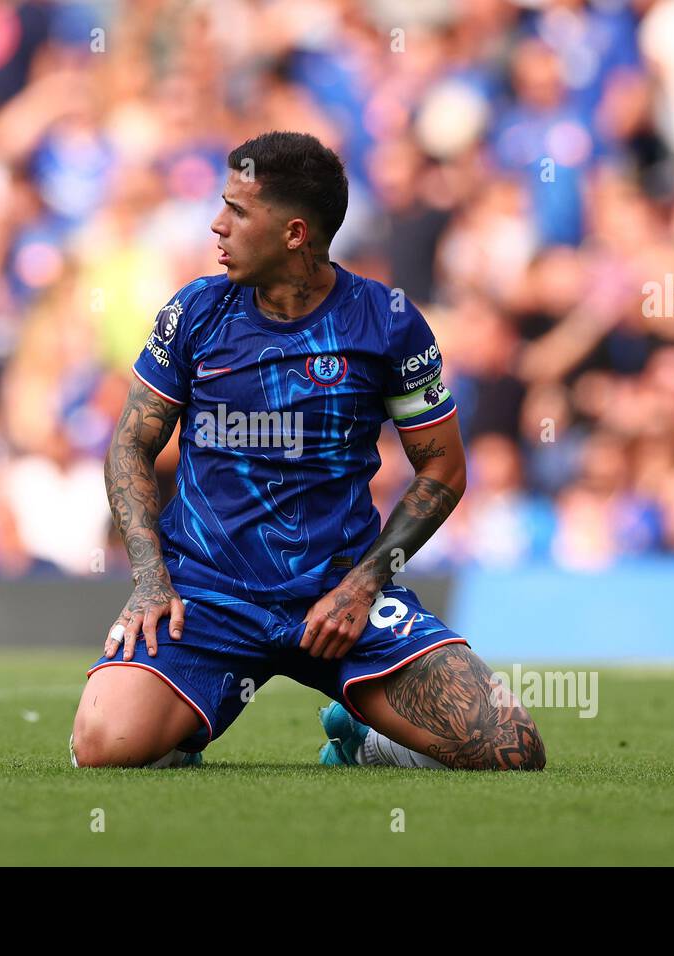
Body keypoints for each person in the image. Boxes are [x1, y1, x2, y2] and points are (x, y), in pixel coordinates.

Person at [70, 131, 545, 771]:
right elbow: (131, 441)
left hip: (339, 597)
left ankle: (366, 741)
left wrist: (363, 583)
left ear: (295, 234)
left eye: (237, 212)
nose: (217, 225)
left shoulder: (387, 321)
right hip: (207, 597)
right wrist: (152, 580)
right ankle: (175, 727)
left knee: (513, 748)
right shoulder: (195, 312)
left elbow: (443, 468)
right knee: (103, 746)